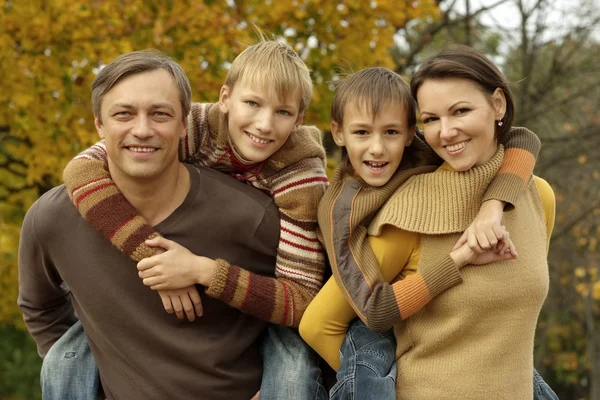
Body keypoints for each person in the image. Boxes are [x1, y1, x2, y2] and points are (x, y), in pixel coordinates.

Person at [59, 38, 330, 399]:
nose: (264, 124)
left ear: (298, 119)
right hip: (164, 281)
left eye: (282, 113)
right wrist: (158, 261)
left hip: (264, 298)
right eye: (252, 103)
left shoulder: (301, 177)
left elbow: (300, 300)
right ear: (225, 98)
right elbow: (81, 170)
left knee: (294, 372)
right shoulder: (195, 127)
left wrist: (200, 271)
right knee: (66, 356)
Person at [18, 50, 281, 399]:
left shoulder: (251, 216)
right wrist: (74, 374)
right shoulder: (52, 218)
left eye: (160, 114)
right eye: (123, 114)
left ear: (184, 122)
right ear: (99, 124)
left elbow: (315, 310)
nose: (142, 130)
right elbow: (40, 307)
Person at [300, 58, 558, 399]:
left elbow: (523, 138)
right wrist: (384, 388)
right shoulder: (406, 214)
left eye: (461, 110)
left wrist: (492, 206)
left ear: (498, 104)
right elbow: (320, 325)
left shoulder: (538, 196)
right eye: (432, 119)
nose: (446, 132)